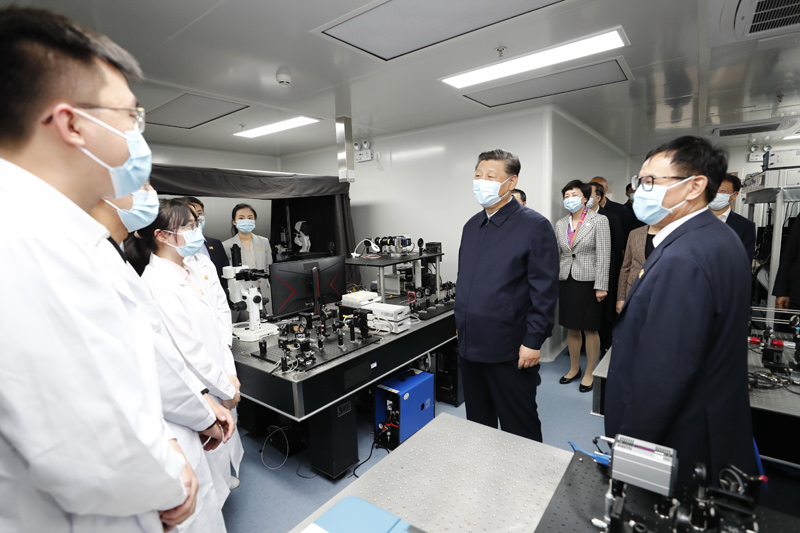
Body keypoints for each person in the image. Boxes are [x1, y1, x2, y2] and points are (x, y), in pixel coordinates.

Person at [0, 7, 199, 531]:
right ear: (72, 124)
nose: (137, 134)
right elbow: (93, 448)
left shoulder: (58, 230)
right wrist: (171, 477)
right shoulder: (27, 240)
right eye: (130, 116)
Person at [605, 136, 755, 485]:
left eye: (650, 181)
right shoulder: (713, 238)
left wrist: (629, 452)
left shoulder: (684, 258)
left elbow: (664, 373)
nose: (640, 191)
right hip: (707, 424)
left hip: (677, 439)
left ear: (695, 186)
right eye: (640, 181)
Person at [91, 186, 235, 532]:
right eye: (140, 185)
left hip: (199, 396)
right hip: (176, 411)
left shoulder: (117, 259)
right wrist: (206, 403)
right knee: (199, 499)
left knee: (212, 487)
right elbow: (171, 358)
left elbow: (217, 319)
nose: (149, 191)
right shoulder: (147, 278)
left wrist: (218, 386)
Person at [128, 199, 245, 494]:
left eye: (196, 224)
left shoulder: (192, 267)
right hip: (199, 388)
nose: (197, 231)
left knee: (224, 457)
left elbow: (218, 323)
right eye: (189, 226)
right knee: (210, 472)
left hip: (221, 376)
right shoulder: (157, 283)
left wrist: (229, 375)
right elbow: (188, 352)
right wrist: (226, 389)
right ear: (162, 235)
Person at [455, 149, 559, 441]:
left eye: (490, 176)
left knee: (519, 425)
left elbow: (545, 291)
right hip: (471, 344)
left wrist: (533, 341)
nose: (481, 182)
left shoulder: (534, 226)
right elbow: (465, 280)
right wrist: (461, 322)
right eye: (478, 175)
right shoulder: (471, 226)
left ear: (511, 182)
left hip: (510, 349)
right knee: (478, 421)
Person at [554, 180, 610, 392]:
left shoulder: (599, 220)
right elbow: (558, 254)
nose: (569, 199)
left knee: (590, 328)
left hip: (589, 281)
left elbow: (604, 254)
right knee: (571, 327)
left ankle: (590, 372)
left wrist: (601, 285)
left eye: (574, 195)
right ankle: (574, 368)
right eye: (566, 196)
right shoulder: (561, 224)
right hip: (566, 279)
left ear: (585, 198)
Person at [589, 181, 624, 356]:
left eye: (588, 194)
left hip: (608, 270)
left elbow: (618, 247)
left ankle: (606, 345)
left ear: (598, 198)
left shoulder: (611, 217)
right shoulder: (578, 217)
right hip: (585, 272)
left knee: (606, 311)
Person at [223, 203, 273, 315]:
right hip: (241, 295)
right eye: (241, 218)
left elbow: (269, 266)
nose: (246, 221)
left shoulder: (264, 241)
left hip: (263, 292)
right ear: (234, 222)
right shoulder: (226, 245)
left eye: (250, 218)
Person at [709, 174, 756, 261]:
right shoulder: (691, 221)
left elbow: (745, 261)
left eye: (722, 191)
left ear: (734, 195)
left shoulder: (746, 226)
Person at [183, 196, 230, 283]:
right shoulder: (178, 245)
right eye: (192, 213)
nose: (197, 217)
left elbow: (224, 273)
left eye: (200, 213)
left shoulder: (215, 244)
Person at [615, 224, 659, 313]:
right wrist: (621, 298)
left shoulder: (671, 234)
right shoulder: (635, 233)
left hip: (658, 292)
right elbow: (626, 267)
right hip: (634, 290)